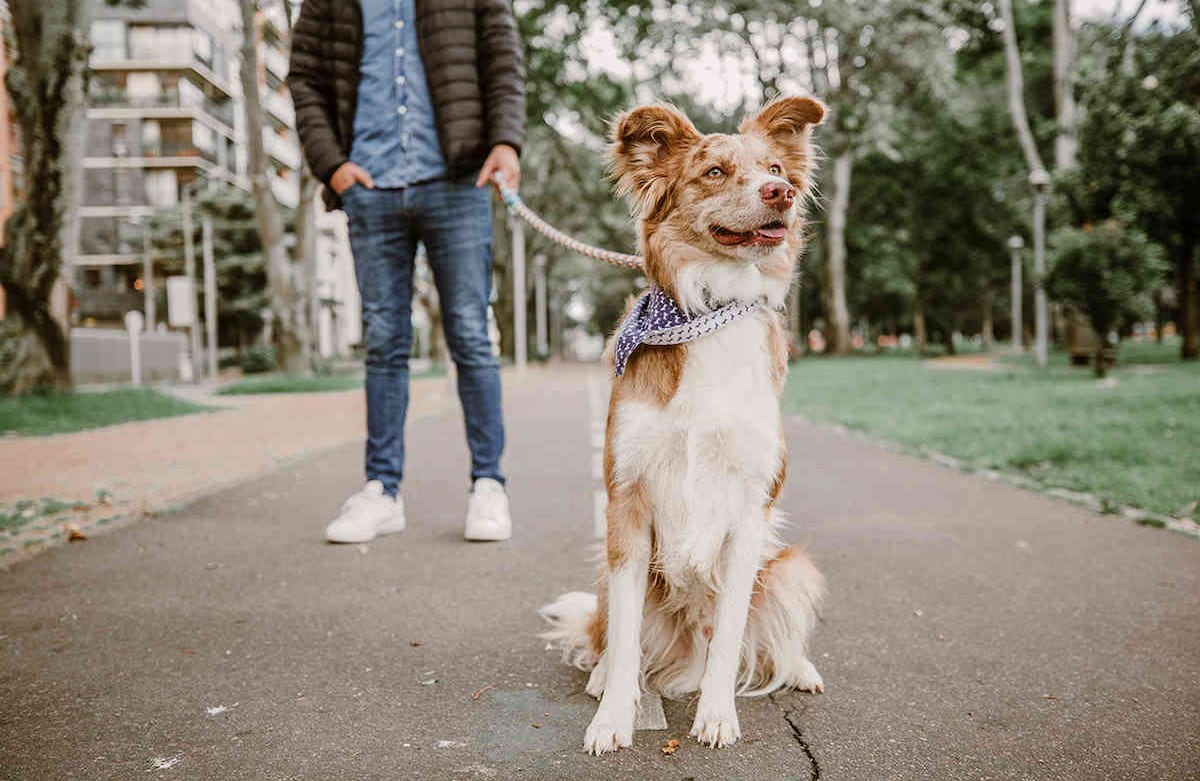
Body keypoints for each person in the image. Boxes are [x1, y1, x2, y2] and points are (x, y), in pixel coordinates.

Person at [287, 0, 525, 543]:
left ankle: (489, 485)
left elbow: (502, 58)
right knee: (384, 342)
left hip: (457, 181)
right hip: (369, 185)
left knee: (470, 333)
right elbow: (305, 78)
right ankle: (382, 491)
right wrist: (331, 165)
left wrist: (505, 142)